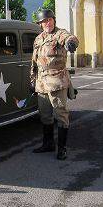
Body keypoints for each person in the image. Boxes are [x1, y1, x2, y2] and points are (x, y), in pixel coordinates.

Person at [30, 9, 78, 160]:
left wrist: (71, 43)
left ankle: (62, 148)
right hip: (42, 82)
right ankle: (48, 143)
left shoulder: (60, 34)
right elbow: (34, 62)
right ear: (40, 24)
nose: (47, 23)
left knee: (61, 115)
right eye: (44, 21)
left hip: (57, 81)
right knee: (45, 115)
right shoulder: (38, 39)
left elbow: (71, 38)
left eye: (49, 20)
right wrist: (32, 80)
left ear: (54, 20)